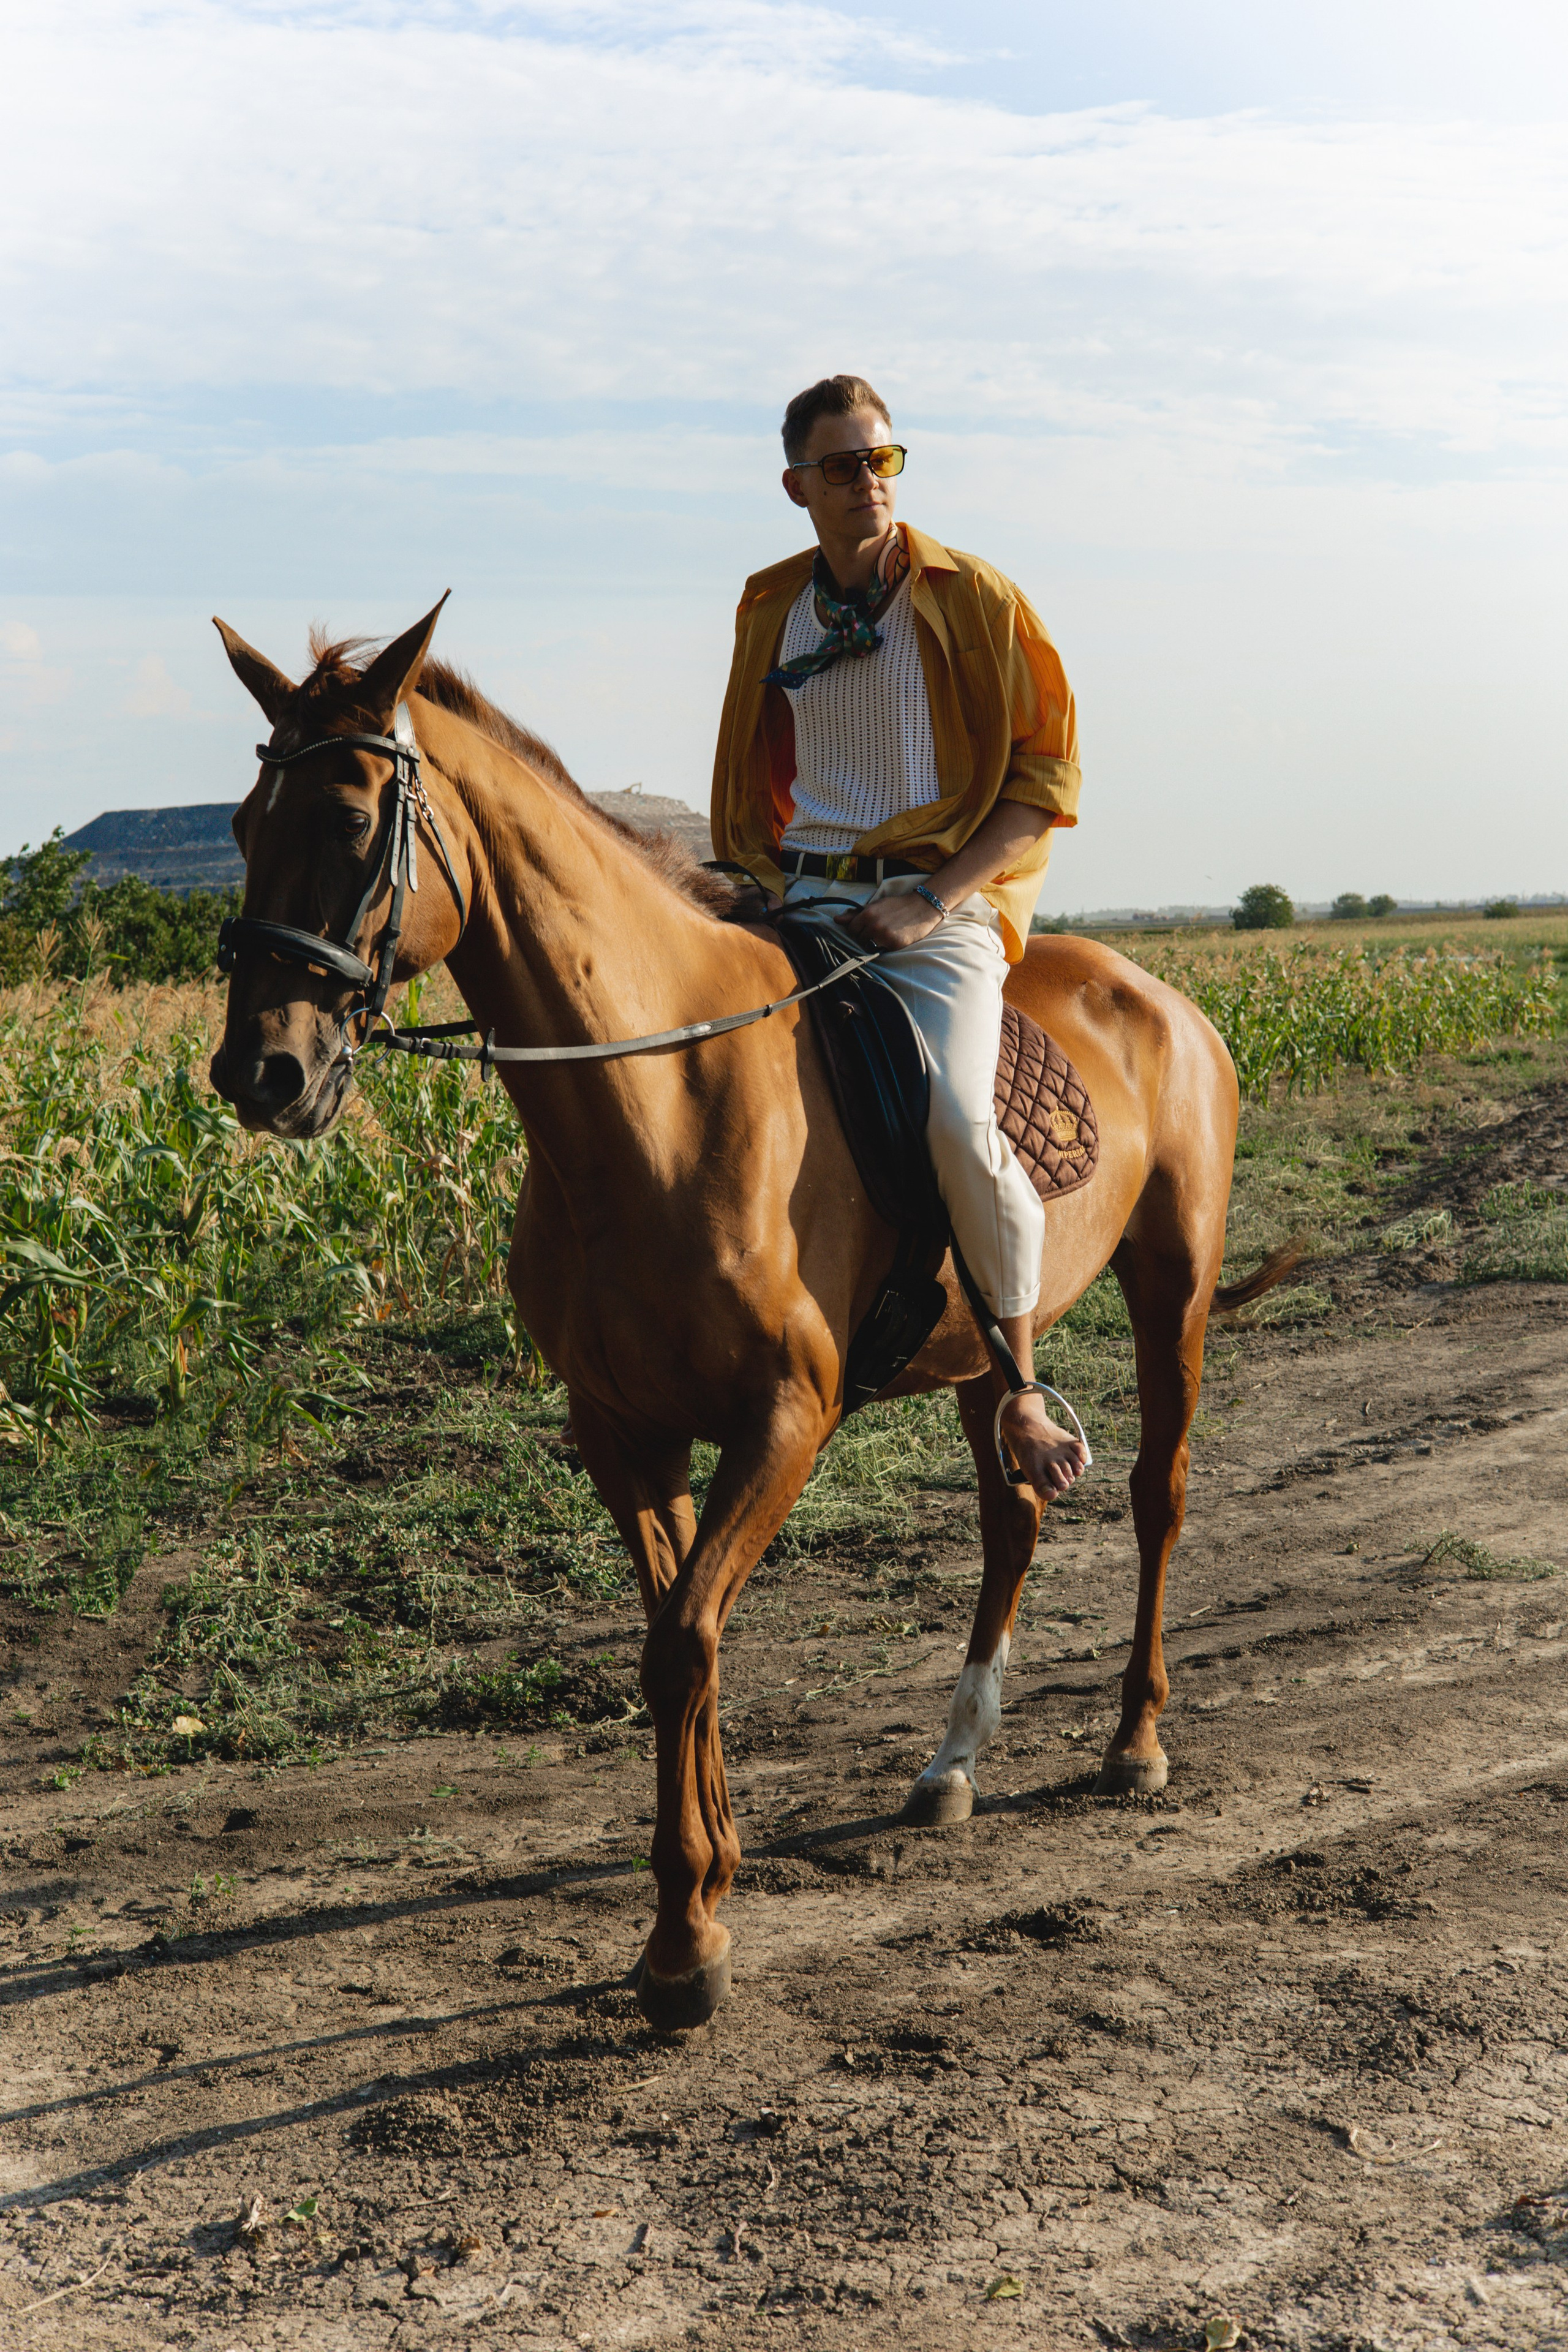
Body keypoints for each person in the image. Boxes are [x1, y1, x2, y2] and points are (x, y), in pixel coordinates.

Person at [710, 373, 1088, 1497]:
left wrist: (935, 899)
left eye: (884, 460)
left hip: (940, 910)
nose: (868, 482)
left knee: (963, 1120)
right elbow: (749, 772)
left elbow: (1043, 781)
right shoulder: (770, 606)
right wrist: (755, 887)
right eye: (842, 466)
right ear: (797, 486)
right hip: (801, 900)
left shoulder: (976, 597)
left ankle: (1019, 1381)